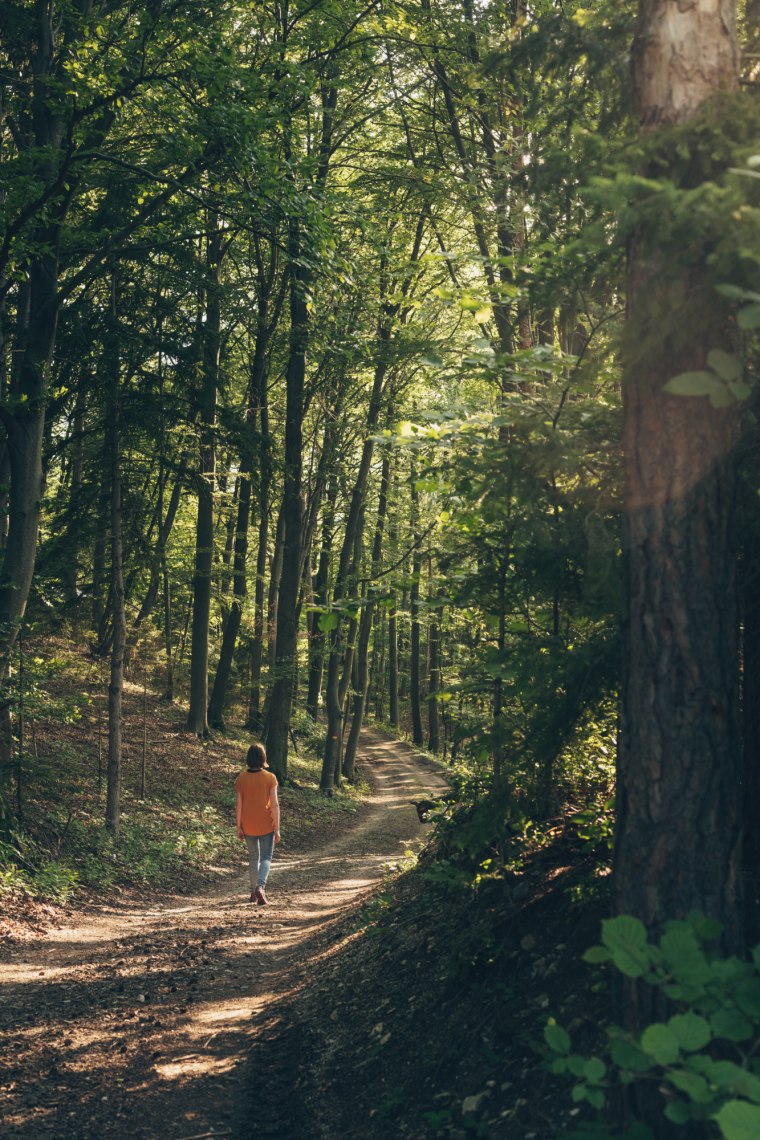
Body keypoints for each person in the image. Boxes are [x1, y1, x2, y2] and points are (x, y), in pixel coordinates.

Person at [235, 743, 280, 905]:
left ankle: (253, 893)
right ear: (263, 758)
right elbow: (274, 805)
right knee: (266, 857)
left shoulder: (241, 778)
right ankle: (261, 887)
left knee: (253, 858)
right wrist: (277, 828)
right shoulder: (270, 777)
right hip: (266, 823)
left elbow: (239, 805)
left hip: (248, 824)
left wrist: (239, 826)